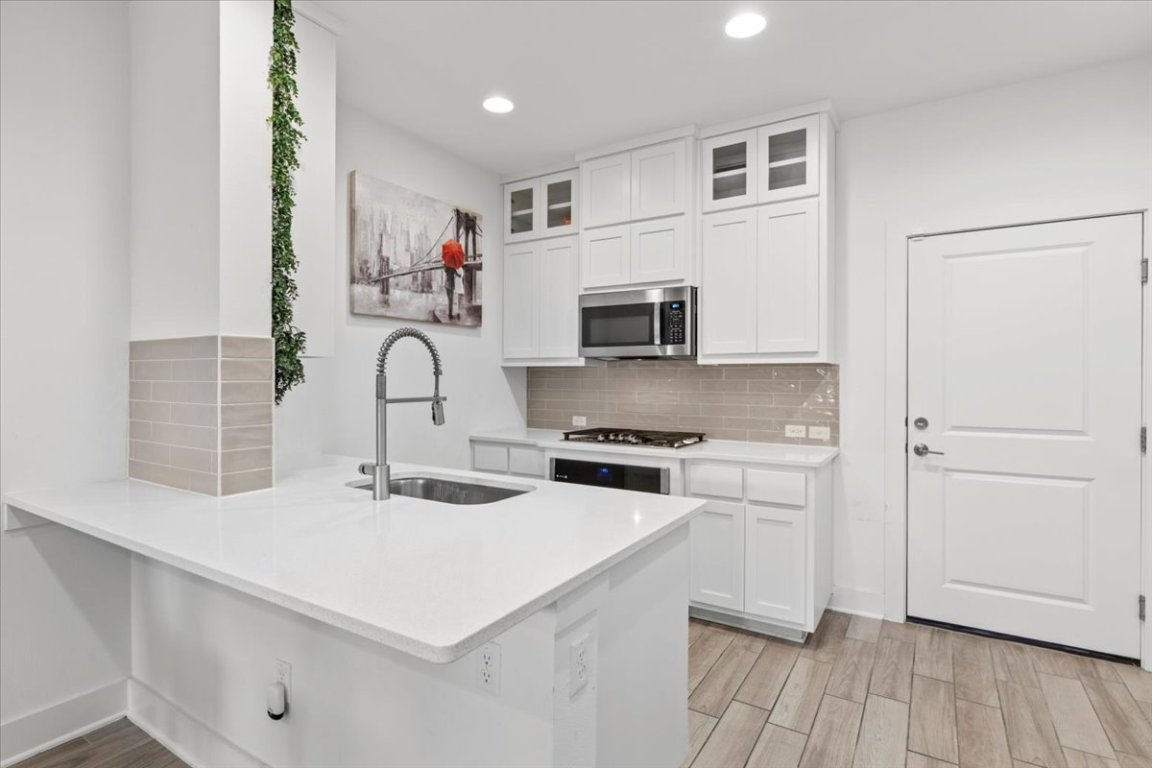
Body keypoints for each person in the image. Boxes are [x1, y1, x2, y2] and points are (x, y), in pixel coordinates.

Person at [441, 239, 465, 320]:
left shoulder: (446, 266)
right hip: (451, 285)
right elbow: (458, 275)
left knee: (449, 300)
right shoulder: (453, 268)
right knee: (451, 300)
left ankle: (450, 314)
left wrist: (444, 263)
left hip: (446, 285)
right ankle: (450, 314)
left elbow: (444, 267)